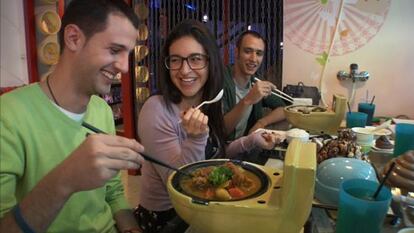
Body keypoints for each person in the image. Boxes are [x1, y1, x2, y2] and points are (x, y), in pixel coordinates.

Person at [0, 1, 145, 232]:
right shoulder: (8, 115)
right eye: (115, 50)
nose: (124, 67)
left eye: (127, 54)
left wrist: (131, 228)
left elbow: (113, 191)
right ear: (74, 38)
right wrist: (66, 178)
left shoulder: (102, 110)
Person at [136, 20, 281, 233]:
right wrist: (195, 138)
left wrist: (250, 140)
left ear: (209, 62)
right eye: (176, 60)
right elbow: (182, 183)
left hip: (204, 211)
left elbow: (214, 155)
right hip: (168, 219)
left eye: (195, 59)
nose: (185, 70)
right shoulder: (156, 109)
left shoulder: (208, 101)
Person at [223, 31, 287, 141]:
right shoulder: (221, 79)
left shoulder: (256, 80)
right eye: (248, 51)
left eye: (259, 53)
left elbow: (285, 109)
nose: (253, 59)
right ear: (237, 52)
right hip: (221, 152)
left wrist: (261, 122)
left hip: (247, 149)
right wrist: (248, 100)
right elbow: (222, 130)